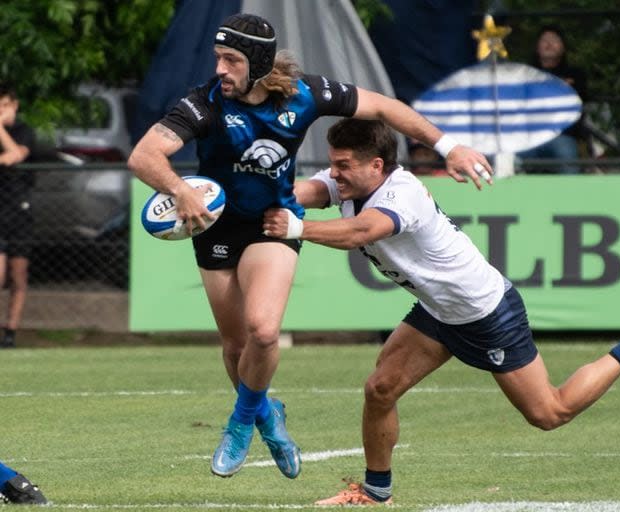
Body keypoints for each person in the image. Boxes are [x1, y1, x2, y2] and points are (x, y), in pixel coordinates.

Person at [127, 13, 493, 480]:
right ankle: (268, 415)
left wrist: (449, 147)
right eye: (218, 58)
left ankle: (241, 422)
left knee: (262, 332)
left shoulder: (306, 94)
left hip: (272, 224)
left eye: (231, 59)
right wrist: (181, 192)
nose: (220, 69)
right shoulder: (204, 103)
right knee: (235, 346)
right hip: (215, 227)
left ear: (258, 62)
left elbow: (384, 108)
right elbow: (144, 155)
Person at [262, 118, 620, 505]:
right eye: (333, 164)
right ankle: (376, 493)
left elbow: (363, 229)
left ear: (376, 165)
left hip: (484, 312)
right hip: (438, 311)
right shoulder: (348, 181)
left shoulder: (403, 193)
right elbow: (303, 191)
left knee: (549, 413)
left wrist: (296, 226)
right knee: (380, 389)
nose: (334, 174)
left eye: (343, 166)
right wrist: (245, 197)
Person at [516, 25, 588, 175]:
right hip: (529, 138)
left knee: (566, 155)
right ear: (537, 48)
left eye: (554, 40)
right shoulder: (524, 74)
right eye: (544, 40)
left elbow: (577, 104)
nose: (549, 43)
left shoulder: (575, 74)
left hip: (562, 136)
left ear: (563, 47)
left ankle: (571, 198)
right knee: (507, 159)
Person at [0, 82, 36, 349]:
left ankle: (11, 332)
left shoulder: (24, 131)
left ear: (15, 105)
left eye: (5, 106)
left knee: (18, 275)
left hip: (20, 211)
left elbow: (15, 156)